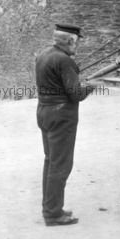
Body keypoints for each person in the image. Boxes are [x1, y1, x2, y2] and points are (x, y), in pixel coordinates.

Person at [35, 22, 98, 226]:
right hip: (62, 116)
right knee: (61, 165)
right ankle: (53, 214)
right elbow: (76, 94)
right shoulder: (65, 61)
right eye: (76, 42)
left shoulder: (43, 55)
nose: (77, 46)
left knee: (50, 161)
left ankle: (50, 208)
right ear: (70, 40)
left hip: (44, 112)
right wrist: (90, 86)